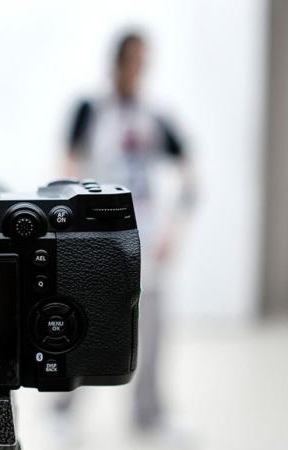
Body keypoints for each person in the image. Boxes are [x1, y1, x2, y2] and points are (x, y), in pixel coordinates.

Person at [60, 32, 197, 436]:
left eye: (143, 61)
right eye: (131, 60)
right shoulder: (90, 110)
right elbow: (67, 166)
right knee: (87, 320)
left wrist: (174, 229)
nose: (137, 69)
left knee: (153, 327)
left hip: (148, 235)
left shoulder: (154, 115)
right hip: (101, 235)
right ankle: (64, 410)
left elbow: (190, 176)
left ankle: (149, 414)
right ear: (116, 62)